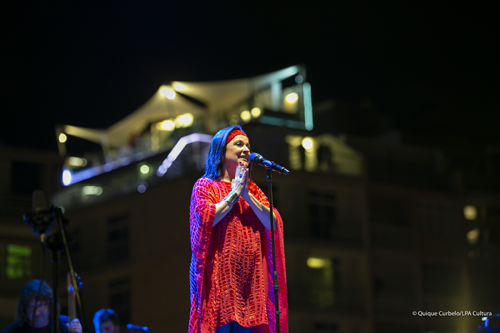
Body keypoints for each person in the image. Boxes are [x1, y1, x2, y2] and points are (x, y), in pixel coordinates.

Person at [188, 125, 288, 333]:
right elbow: (206, 218)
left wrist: (246, 195)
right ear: (221, 150)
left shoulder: (252, 190)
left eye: (248, 146)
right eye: (239, 144)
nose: (246, 150)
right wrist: (234, 194)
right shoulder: (205, 185)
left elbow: (273, 222)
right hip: (220, 284)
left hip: (250, 287)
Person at [2, 280, 82, 333]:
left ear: (49, 304)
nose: (36, 313)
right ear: (24, 309)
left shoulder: (66, 324)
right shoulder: (14, 330)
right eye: (31, 307)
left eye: (40, 306)